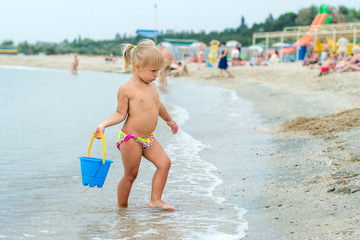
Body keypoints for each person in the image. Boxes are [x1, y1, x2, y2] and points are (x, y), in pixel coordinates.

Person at [94, 39, 178, 210]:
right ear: (138, 66)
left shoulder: (152, 85)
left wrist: (168, 119)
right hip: (131, 138)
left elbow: (158, 104)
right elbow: (120, 114)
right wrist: (103, 124)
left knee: (165, 163)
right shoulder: (126, 89)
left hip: (148, 138)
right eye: (153, 71)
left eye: (158, 71)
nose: (156, 75)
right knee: (131, 175)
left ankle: (155, 199)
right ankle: (122, 208)